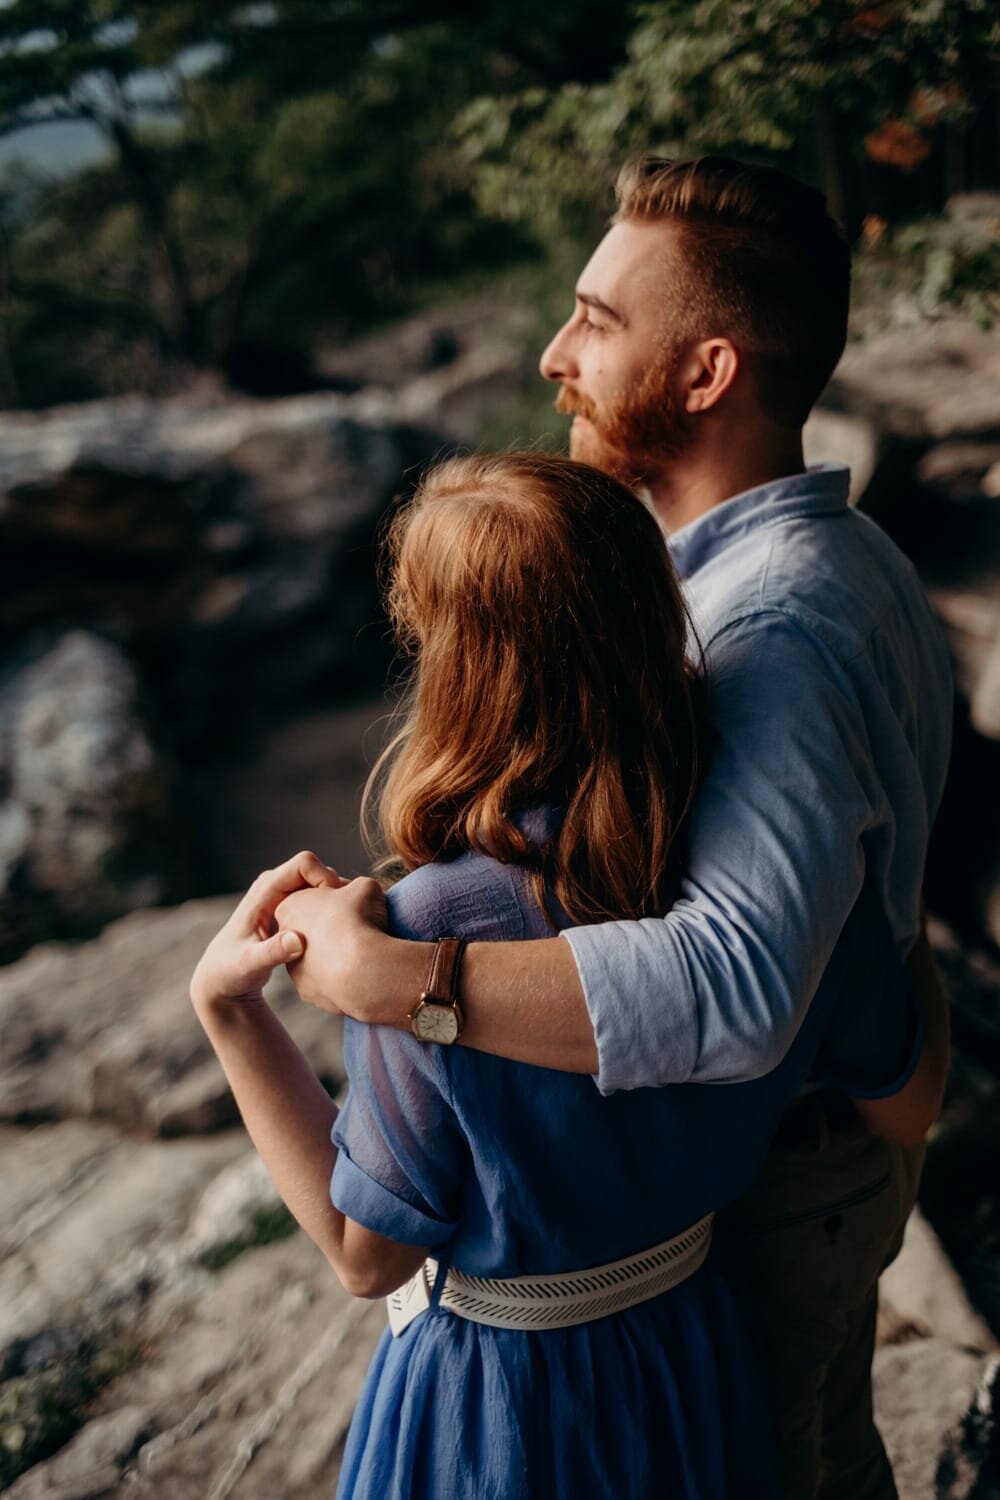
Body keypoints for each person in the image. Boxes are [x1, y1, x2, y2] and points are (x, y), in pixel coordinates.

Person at [270, 158, 954, 1500]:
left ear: (704, 373)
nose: (552, 353)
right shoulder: (838, 558)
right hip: (817, 1161)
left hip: (759, 1203)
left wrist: (393, 979)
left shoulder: (772, 641)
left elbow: (736, 987)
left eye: (595, 317)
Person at [192, 453, 928, 1499]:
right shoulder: (793, 882)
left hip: (508, 1404)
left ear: (453, 664)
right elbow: (901, 1102)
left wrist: (227, 1012)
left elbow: (368, 1260)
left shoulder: (424, 933)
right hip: (698, 1361)